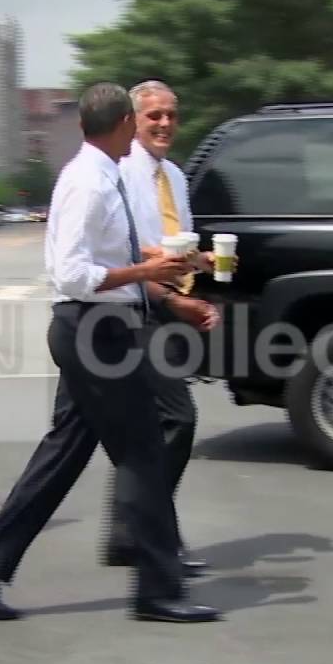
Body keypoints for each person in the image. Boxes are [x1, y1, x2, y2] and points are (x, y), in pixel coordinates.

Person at [0, 83, 222, 623]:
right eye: (140, 121)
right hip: (96, 331)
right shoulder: (88, 183)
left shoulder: (104, 173)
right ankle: (158, 591)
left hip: (101, 328)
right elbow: (71, 273)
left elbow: (115, 248)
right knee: (144, 454)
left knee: (64, 452)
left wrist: (178, 262)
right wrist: (146, 273)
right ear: (123, 123)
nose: (146, 130)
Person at [102, 79, 218, 575]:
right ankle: (151, 534)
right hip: (130, 311)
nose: (166, 123)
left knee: (140, 430)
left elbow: (175, 249)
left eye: (172, 114)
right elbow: (128, 257)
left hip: (167, 309)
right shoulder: (120, 174)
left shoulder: (174, 175)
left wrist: (205, 265)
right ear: (133, 120)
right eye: (154, 116)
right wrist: (173, 299)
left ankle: (129, 534)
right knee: (178, 420)